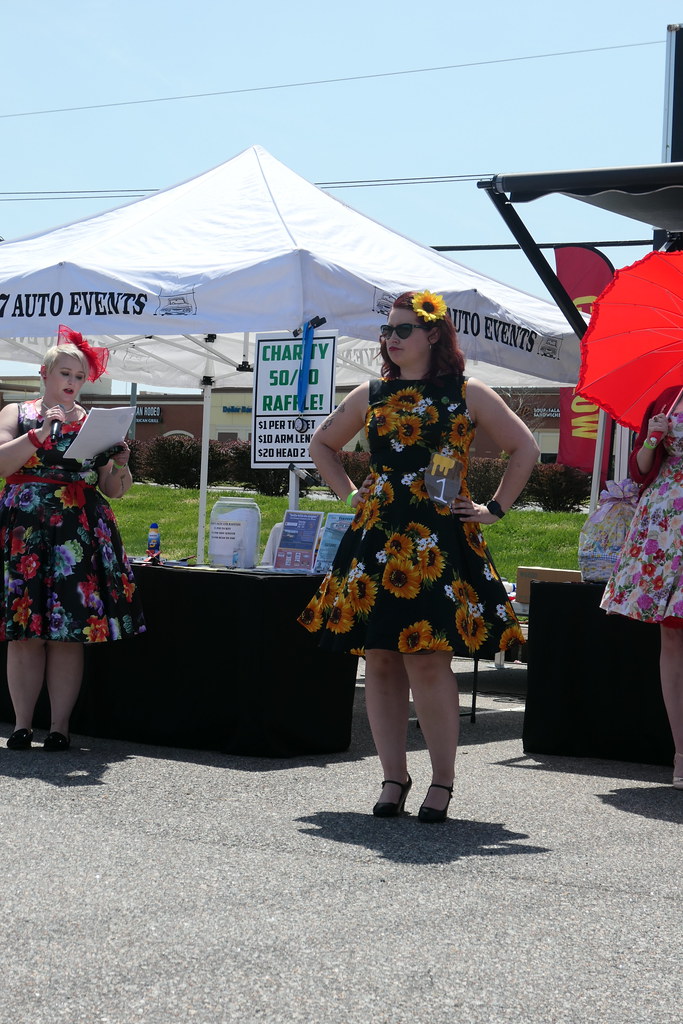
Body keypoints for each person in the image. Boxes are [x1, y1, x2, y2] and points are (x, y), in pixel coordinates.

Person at [299, 290, 539, 821]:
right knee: (381, 659)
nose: (390, 338)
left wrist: (493, 508)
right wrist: (349, 493)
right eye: (387, 330)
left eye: (402, 329)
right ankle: (393, 777)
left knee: (428, 658)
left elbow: (525, 448)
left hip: (438, 539)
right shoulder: (373, 392)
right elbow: (322, 444)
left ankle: (443, 782)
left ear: (433, 334)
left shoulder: (468, 392)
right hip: (379, 537)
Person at [0, 325, 145, 752]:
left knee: (69, 632)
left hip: (77, 532)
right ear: (43, 374)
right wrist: (39, 433)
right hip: (24, 531)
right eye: (64, 373)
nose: (71, 382)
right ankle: (22, 725)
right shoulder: (17, 413)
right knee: (25, 630)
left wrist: (121, 465)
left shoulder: (92, 422)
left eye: (79, 377)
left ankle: (60, 727)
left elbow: (114, 490)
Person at [601, 384, 683, 789]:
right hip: (665, 522)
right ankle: (681, 753)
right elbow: (640, 469)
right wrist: (653, 436)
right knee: (672, 633)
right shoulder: (669, 395)